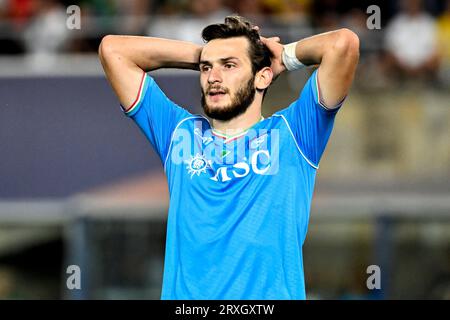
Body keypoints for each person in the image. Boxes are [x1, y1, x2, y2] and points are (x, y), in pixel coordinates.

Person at [98, 15, 359, 299]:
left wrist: (283, 56)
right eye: (206, 68)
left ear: (262, 76)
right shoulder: (178, 133)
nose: (213, 77)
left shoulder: (294, 133)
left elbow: (343, 44)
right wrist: (202, 54)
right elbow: (113, 50)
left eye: (229, 66)